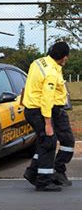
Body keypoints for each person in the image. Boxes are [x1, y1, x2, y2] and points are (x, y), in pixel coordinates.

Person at [22, 41, 73, 192]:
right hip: (41, 110)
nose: (67, 59)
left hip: (46, 109)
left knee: (53, 142)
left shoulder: (39, 62)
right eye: (67, 56)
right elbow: (46, 98)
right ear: (63, 57)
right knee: (49, 142)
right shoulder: (50, 71)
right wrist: (48, 123)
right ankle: (43, 180)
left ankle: (34, 172)